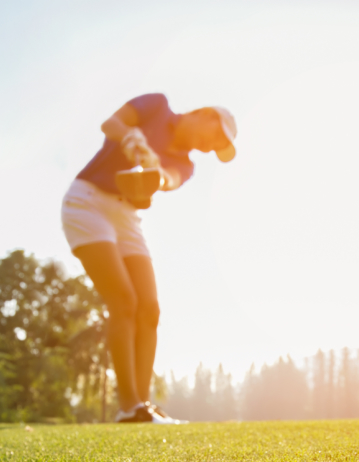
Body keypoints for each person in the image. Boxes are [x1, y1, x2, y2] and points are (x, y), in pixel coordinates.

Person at [61, 94, 237, 423]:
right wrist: (131, 136)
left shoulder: (187, 164)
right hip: (87, 202)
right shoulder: (156, 105)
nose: (210, 147)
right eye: (216, 136)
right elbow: (109, 123)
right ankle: (129, 407)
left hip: (127, 215)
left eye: (217, 147)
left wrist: (154, 169)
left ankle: (142, 404)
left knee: (150, 309)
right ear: (205, 114)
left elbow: (169, 179)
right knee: (124, 300)